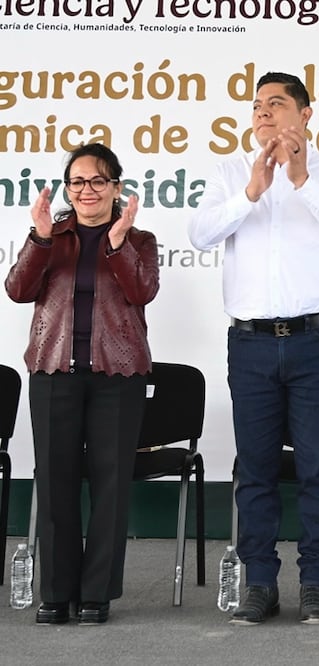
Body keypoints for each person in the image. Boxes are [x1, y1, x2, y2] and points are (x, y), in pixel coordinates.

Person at [189, 71, 319, 625]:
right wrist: (252, 192)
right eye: (256, 105)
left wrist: (300, 177)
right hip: (251, 346)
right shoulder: (229, 174)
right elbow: (200, 234)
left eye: (276, 103)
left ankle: (315, 580)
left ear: (305, 114)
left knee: (318, 466)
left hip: (317, 340)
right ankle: (260, 583)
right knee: (257, 468)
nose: (263, 113)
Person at [5, 143, 159, 625]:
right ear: (67, 188)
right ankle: (55, 593)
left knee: (112, 487)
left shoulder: (140, 240)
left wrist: (116, 243)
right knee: (55, 483)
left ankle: (96, 594)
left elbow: (141, 291)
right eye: (77, 182)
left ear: (117, 187)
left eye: (97, 181)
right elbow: (18, 290)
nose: (86, 190)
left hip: (119, 376)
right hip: (54, 372)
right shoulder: (52, 235)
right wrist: (40, 238)